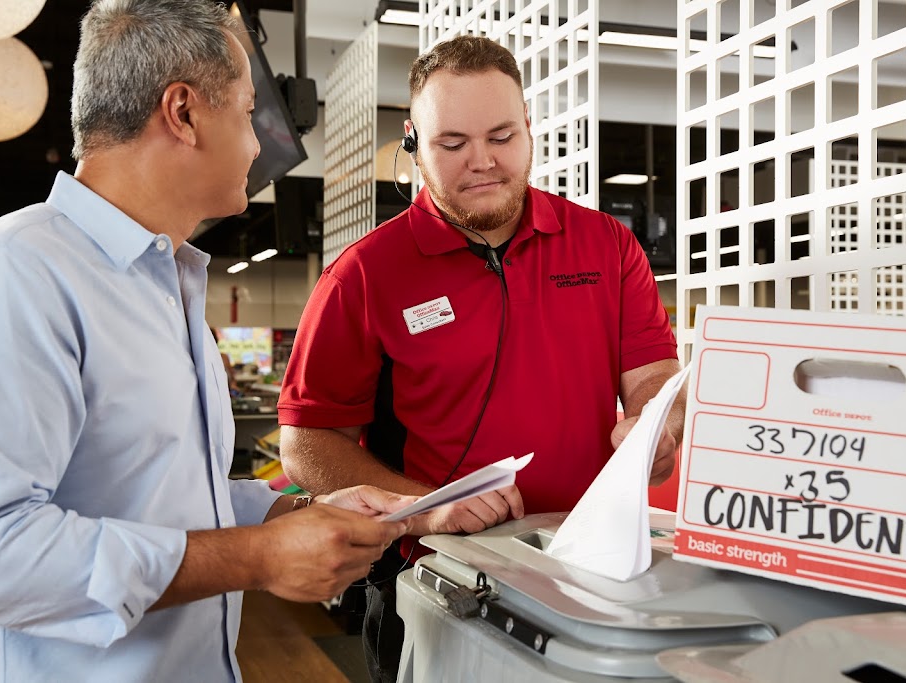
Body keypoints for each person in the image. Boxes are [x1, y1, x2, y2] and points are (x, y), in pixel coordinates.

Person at [0, 1, 414, 681]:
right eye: (249, 112)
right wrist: (255, 556)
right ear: (184, 112)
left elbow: (163, 495)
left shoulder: (166, 286)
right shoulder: (14, 273)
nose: (259, 145)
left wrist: (292, 511)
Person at [277, 34, 686, 682]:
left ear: (529, 128)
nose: (483, 162)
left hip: (589, 572)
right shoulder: (363, 277)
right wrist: (427, 504)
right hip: (437, 580)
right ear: (412, 142)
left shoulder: (608, 246)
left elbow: (656, 374)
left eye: (501, 136)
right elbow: (304, 441)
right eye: (453, 143)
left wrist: (657, 417)